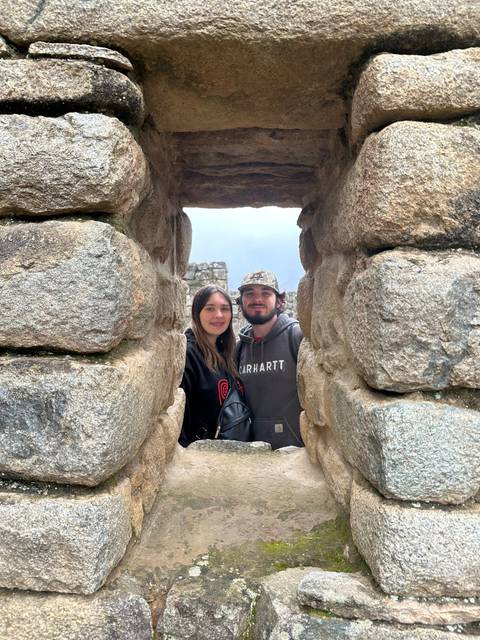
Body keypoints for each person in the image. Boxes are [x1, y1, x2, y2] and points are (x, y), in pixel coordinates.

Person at [236, 270, 304, 449]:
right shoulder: (239, 348)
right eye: (249, 293)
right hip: (253, 454)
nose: (257, 299)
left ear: (279, 300)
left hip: (295, 454)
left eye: (265, 293)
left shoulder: (296, 337)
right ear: (241, 302)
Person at [179, 284, 246, 447]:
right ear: (196, 313)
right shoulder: (188, 354)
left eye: (225, 308)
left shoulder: (227, 353)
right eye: (210, 309)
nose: (219, 315)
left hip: (229, 452)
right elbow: (179, 418)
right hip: (201, 456)